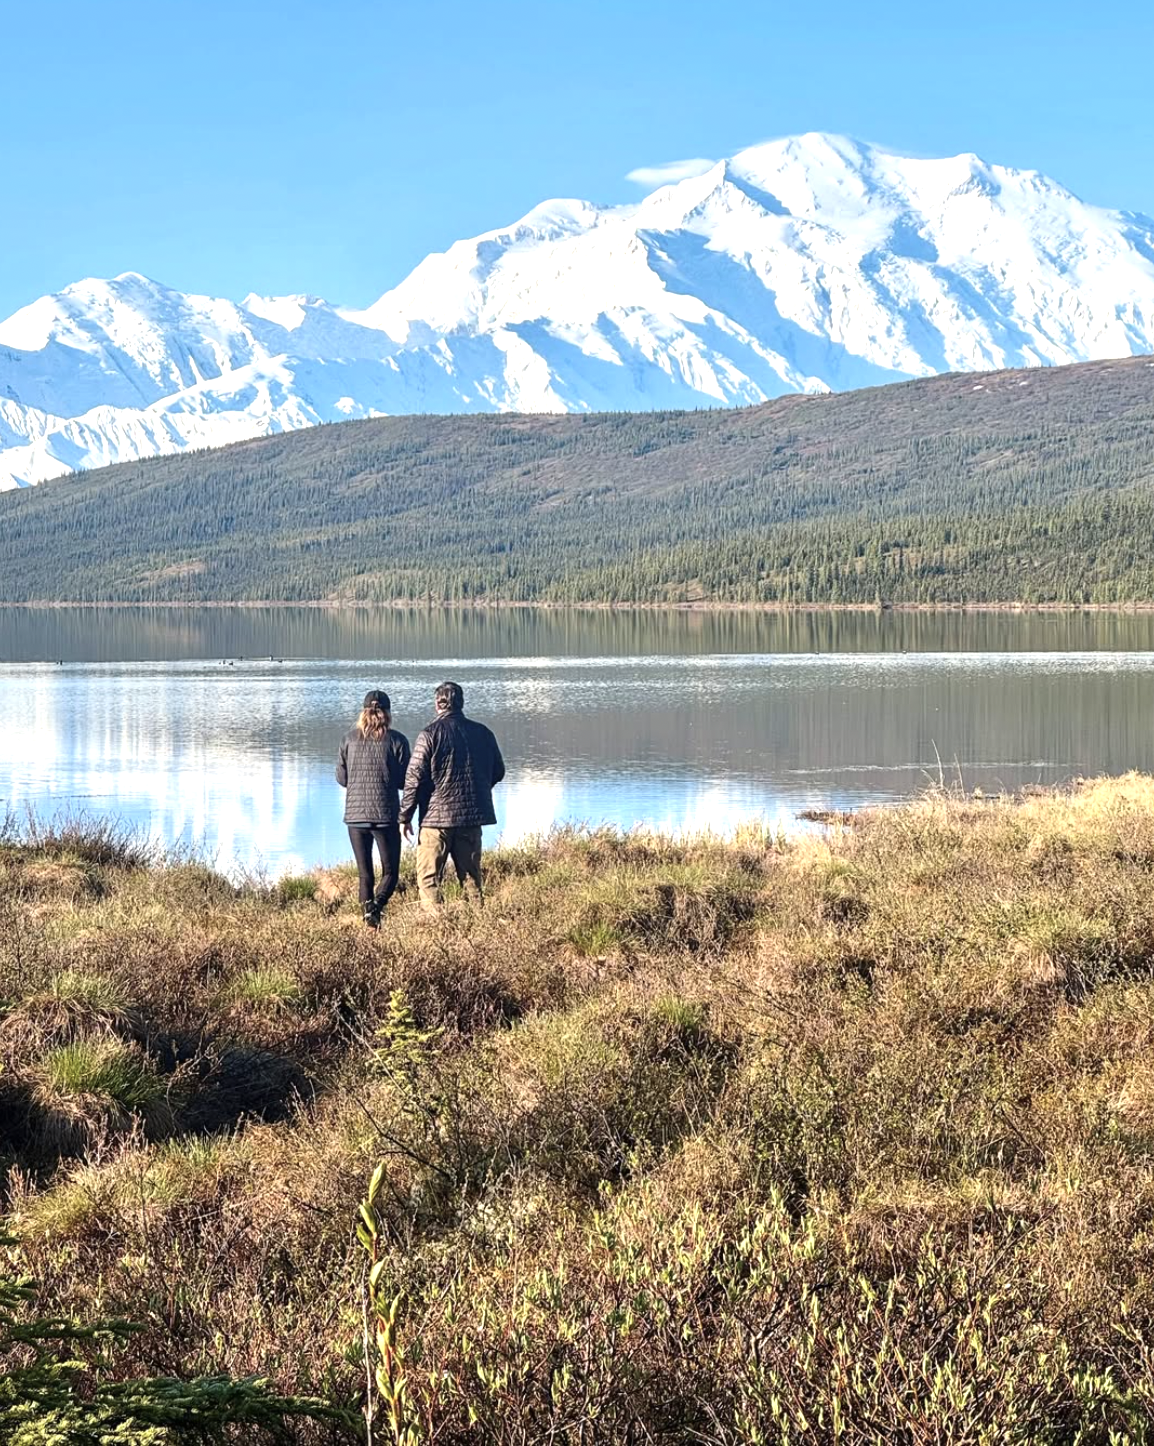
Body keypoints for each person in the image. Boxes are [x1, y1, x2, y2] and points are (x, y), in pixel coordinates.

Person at [400, 681, 505, 911]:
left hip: (435, 820)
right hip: (470, 818)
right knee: (471, 879)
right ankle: (480, 927)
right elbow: (499, 771)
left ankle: (438, 927)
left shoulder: (429, 734)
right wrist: (478, 790)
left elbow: (413, 779)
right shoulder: (483, 733)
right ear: (461, 703)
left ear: (438, 705)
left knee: (428, 879)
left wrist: (404, 816)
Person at [336, 689, 411, 928]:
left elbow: (341, 778)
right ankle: (376, 908)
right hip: (386, 815)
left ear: (363, 712)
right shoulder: (397, 740)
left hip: (355, 818)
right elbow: (404, 781)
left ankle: (368, 917)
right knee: (390, 873)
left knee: (364, 874)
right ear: (388, 713)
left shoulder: (349, 739)